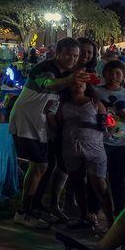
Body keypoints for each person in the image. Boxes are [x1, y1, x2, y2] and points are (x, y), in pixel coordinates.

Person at [8, 38, 83, 227]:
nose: (72, 59)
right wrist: (70, 80)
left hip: (42, 123)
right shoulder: (45, 68)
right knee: (40, 165)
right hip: (26, 121)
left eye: (76, 56)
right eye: (68, 54)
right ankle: (23, 212)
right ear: (58, 52)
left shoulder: (68, 73)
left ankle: (36, 207)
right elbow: (48, 83)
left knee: (48, 165)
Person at [53, 77, 115, 230]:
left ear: (87, 85)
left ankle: (111, 222)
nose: (78, 84)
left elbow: (105, 126)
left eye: (82, 81)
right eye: (74, 82)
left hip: (94, 149)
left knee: (100, 185)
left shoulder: (95, 103)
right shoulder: (62, 104)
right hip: (71, 149)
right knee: (78, 184)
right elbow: (57, 126)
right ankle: (84, 217)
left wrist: (107, 123)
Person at [96, 60, 125, 213]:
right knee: (98, 179)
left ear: (124, 76)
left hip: (124, 144)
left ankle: (121, 213)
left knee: (121, 180)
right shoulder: (96, 92)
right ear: (104, 74)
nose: (114, 76)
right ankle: (95, 211)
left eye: (118, 73)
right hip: (100, 142)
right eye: (110, 72)